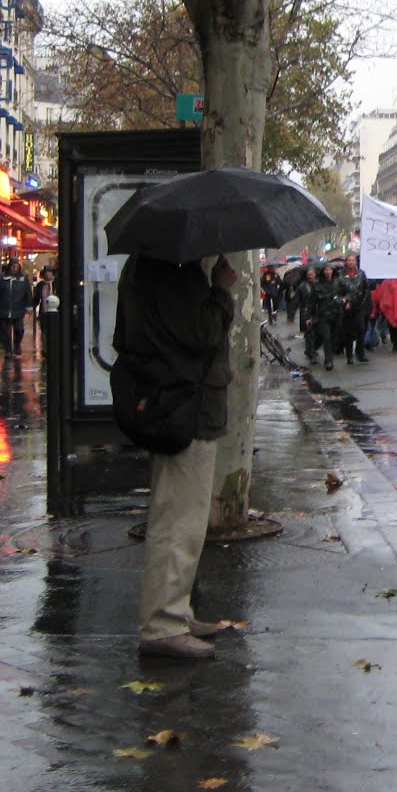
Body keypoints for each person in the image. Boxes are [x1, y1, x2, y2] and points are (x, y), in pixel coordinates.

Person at [113, 253, 236, 659]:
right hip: (188, 408)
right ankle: (164, 624)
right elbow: (201, 333)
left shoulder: (146, 266)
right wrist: (220, 290)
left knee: (178, 515)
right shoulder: (172, 272)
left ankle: (175, 612)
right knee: (180, 520)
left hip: (173, 403)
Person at [336, 253, 371, 365]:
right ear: (346, 262)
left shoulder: (361, 274)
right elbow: (338, 291)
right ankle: (349, 355)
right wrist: (345, 301)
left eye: (353, 260)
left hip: (359, 307)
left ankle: (360, 353)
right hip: (346, 308)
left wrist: (364, 304)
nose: (351, 262)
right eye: (349, 260)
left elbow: (366, 289)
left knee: (361, 329)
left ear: (356, 262)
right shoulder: (340, 275)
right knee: (348, 332)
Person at [308, 262, 340, 370]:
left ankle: (313, 350)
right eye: (326, 269)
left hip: (336, 314)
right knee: (327, 338)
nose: (328, 272)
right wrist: (309, 316)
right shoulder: (317, 285)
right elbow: (312, 302)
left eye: (329, 269)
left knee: (334, 338)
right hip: (323, 315)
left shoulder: (338, 282)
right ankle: (328, 360)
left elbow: (346, 293)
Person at [0, 258, 30, 357]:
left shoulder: (23, 278)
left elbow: (27, 292)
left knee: (19, 329)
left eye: (16, 267)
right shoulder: (2, 278)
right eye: (13, 266)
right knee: (5, 331)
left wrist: (29, 305)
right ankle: (7, 349)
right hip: (5, 308)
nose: (15, 269)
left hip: (18, 308)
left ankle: (17, 345)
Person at [32, 264, 57, 350]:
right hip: (44, 311)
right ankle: (45, 348)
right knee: (44, 330)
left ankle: (53, 347)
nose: (48, 274)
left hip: (55, 312)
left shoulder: (57, 283)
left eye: (50, 272)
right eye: (46, 272)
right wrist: (31, 308)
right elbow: (36, 298)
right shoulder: (40, 285)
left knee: (54, 330)